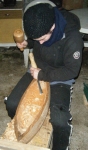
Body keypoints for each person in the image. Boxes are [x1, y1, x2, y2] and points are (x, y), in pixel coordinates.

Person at [5, 0, 83, 150]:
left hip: (60, 74)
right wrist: (28, 43)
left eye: (42, 39)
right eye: (36, 40)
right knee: (12, 104)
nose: (39, 43)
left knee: (59, 120)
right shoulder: (41, 29)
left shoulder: (73, 38)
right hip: (37, 69)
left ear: (53, 27)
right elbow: (36, 41)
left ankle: (61, 146)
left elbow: (72, 71)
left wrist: (43, 75)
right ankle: (26, 131)